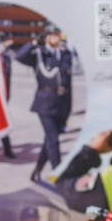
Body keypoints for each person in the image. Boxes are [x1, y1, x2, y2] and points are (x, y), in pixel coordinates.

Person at [15, 23, 73, 182]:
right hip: (45, 103)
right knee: (53, 139)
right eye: (52, 34)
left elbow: (68, 83)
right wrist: (34, 43)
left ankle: (37, 170)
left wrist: (68, 108)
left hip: (62, 102)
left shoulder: (66, 54)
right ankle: (59, 175)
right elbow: (20, 56)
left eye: (57, 34)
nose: (56, 37)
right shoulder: (39, 53)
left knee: (49, 140)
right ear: (47, 36)